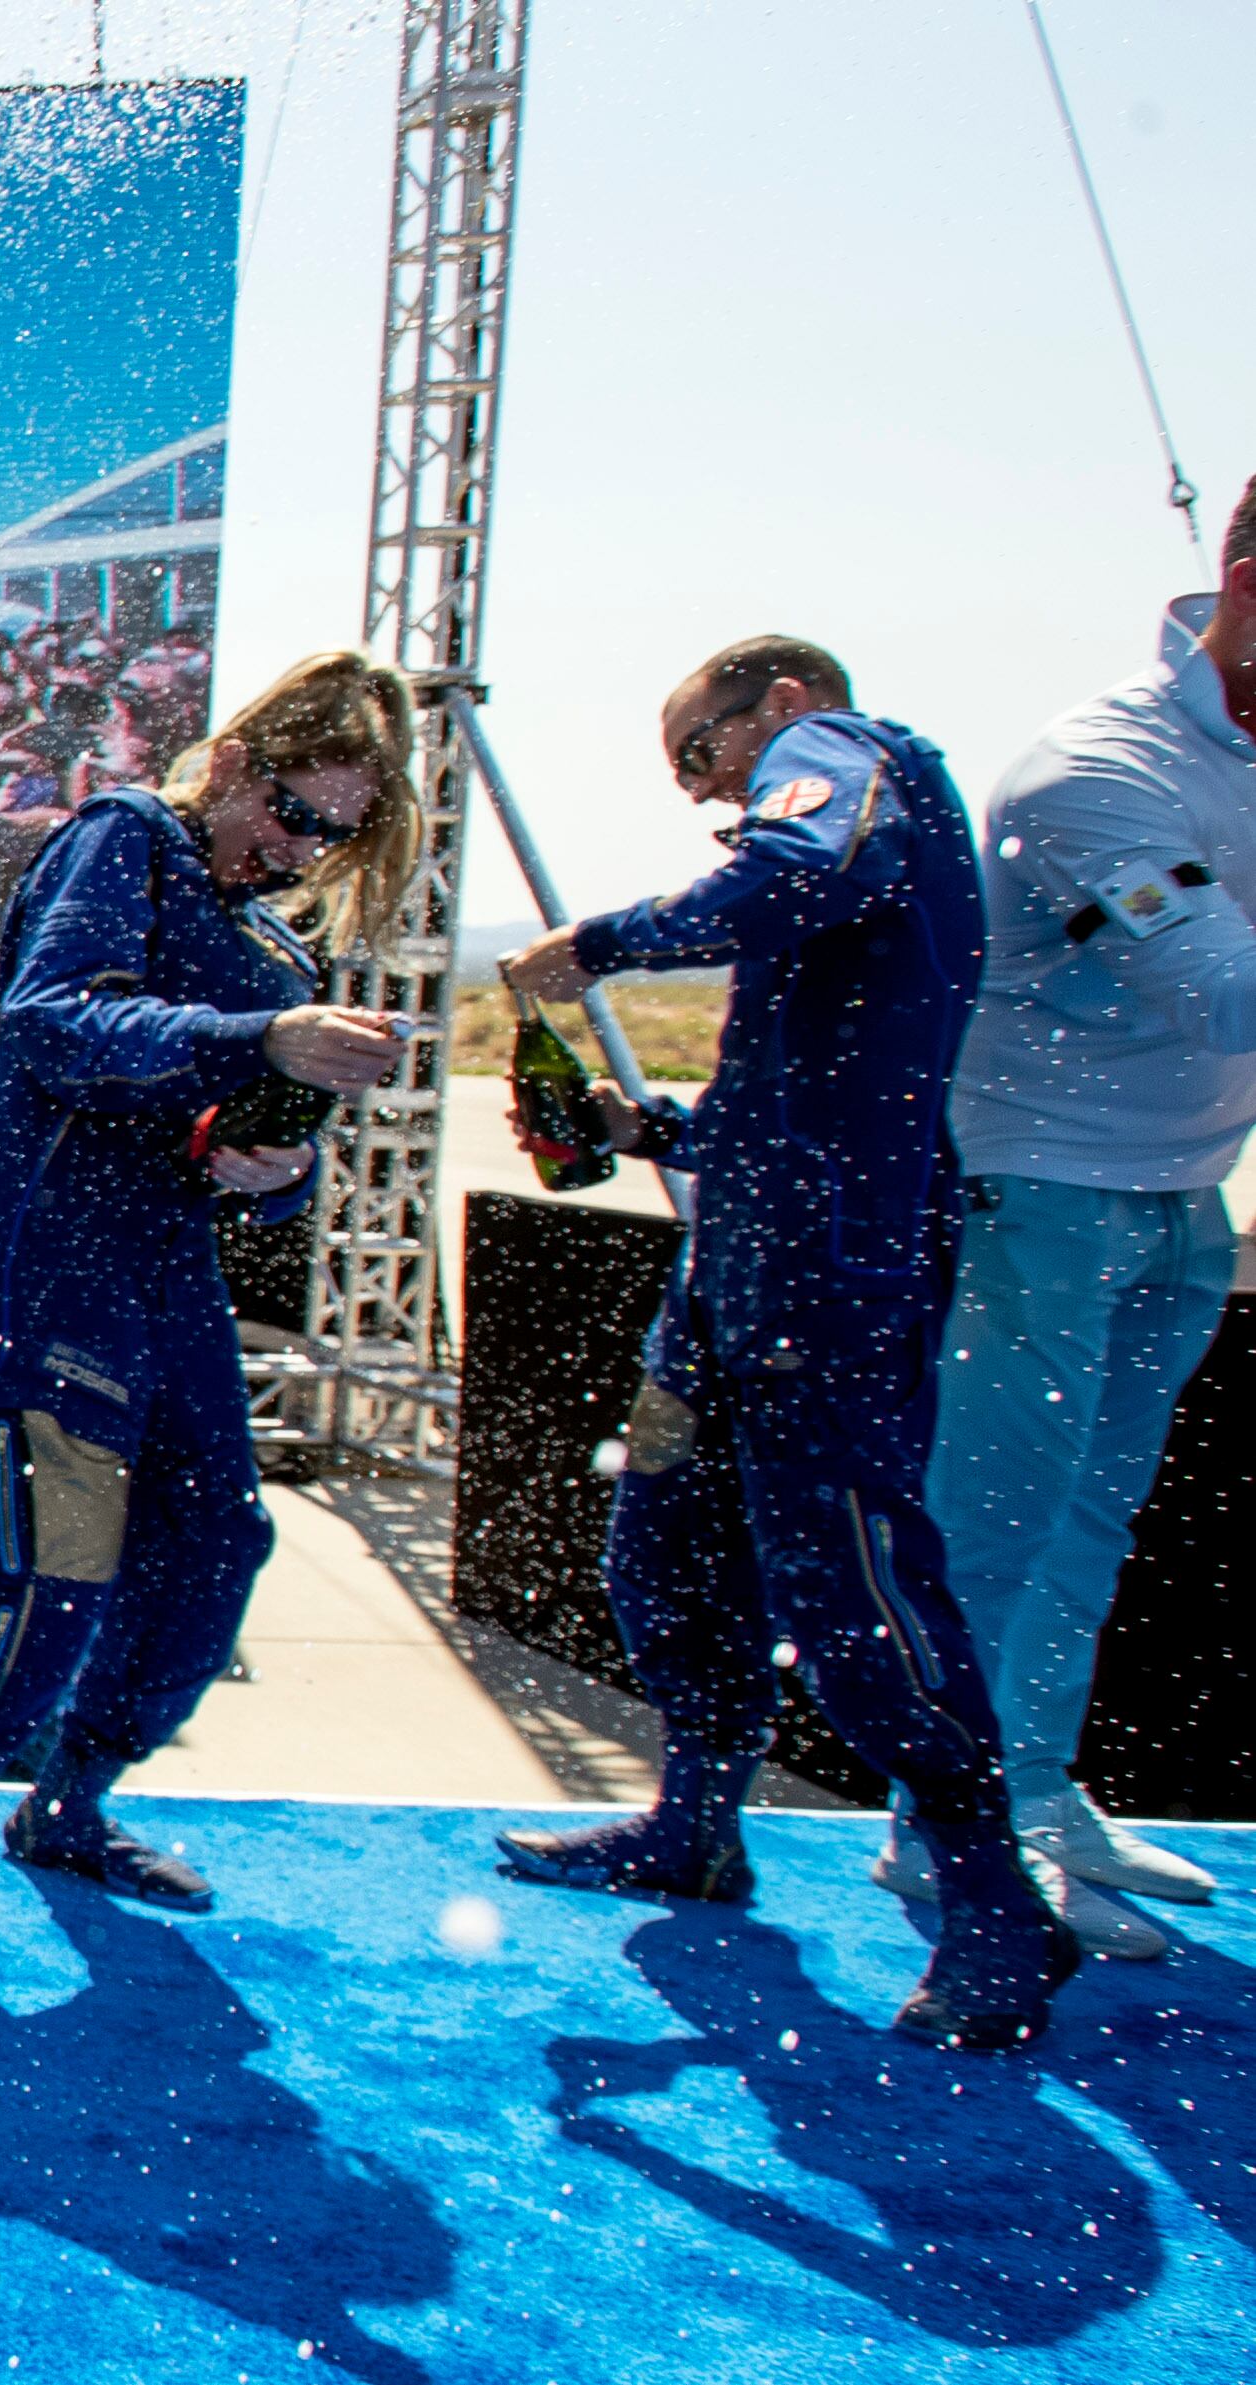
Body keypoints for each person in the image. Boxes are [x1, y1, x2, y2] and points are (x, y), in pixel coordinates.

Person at [0, 652, 423, 1983]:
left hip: (161, 1262)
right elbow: (49, 1019)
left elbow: (227, 1131)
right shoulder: (122, 839)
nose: (297, 851)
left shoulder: (274, 935)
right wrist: (254, 1045)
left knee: (215, 1545)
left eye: (335, 835)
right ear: (237, 763)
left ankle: (69, 1803)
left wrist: (271, 1163)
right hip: (42, 1256)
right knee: (37, 1580)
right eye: (293, 814)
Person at [491, 635, 1074, 2051]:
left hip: (826, 1279)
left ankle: (991, 1903)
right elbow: (804, 1080)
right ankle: (693, 1820)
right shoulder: (836, 817)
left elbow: (805, 873)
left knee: (851, 1593)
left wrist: (600, 947)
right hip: (738, 1267)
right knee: (664, 1541)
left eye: (700, 755)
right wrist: (645, 1132)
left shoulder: (852, 759)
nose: (703, 795)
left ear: (784, 706)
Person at [906, 480, 1256, 1944]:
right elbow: (1224, 986)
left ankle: (1030, 1785)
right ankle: (944, 1834)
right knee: (992, 1522)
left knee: (1089, 1522)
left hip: (1179, 1193)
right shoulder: (1092, 774)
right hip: (1036, 1192)